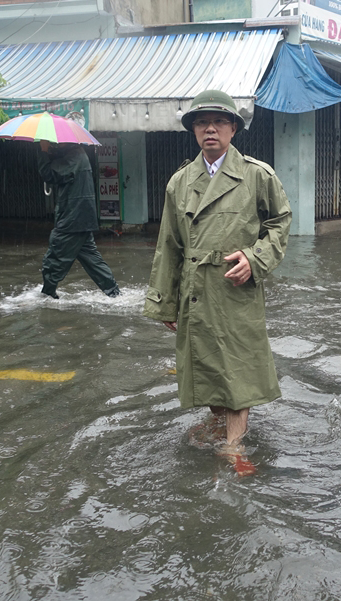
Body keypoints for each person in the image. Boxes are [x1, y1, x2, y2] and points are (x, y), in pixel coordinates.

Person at [143, 90, 291, 471]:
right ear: (193, 130)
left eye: (220, 122)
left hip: (234, 286)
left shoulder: (257, 175)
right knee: (205, 364)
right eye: (202, 122)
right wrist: (165, 300)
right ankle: (219, 418)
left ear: (233, 129)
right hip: (195, 290)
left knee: (238, 365)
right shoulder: (180, 182)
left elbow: (280, 222)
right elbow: (169, 244)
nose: (210, 129)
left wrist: (255, 258)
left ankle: (234, 444)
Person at [37, 140, 120, 299]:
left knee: (54, 258)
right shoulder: (76, 155)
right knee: (93, 261)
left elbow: (49, 173)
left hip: (72, 219)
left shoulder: (74, 157)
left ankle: (46, 297)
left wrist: (43, 151)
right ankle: (114, 294)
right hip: (80, 218)